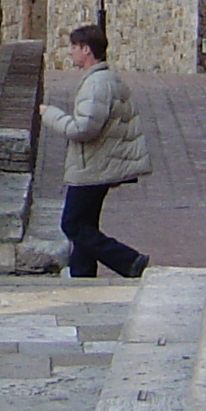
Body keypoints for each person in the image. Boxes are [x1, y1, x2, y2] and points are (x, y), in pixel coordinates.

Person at [36, 22, 150, 279]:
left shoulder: (97, 84)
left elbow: (84, 128)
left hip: (94, 165)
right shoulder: (103, 79)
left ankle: (130, 261)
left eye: (74, 47)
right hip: (99, 162)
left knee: (72, 223)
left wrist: (50, 114)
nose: (70, 52)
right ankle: (82, 273)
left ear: (87, 50)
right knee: (86, 223)